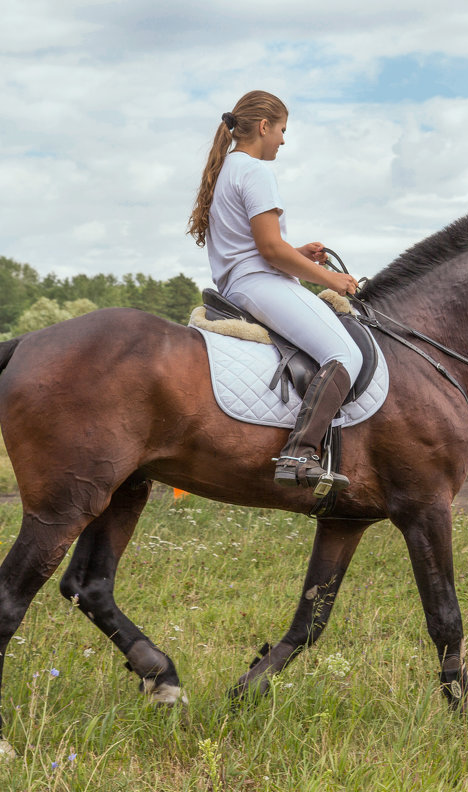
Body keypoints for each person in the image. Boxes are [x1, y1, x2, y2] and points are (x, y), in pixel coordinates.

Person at [187, 90, 362, 492]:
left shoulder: (226, 169)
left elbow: (257, 247)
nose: (283, 140)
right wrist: (330, 279)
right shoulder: (256, 171)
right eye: (282, 129)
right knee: (344, 352)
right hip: (259, 283)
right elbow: (268, 249)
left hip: (240, 283)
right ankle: (300, 453)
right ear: (264, 126)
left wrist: (297, 253)